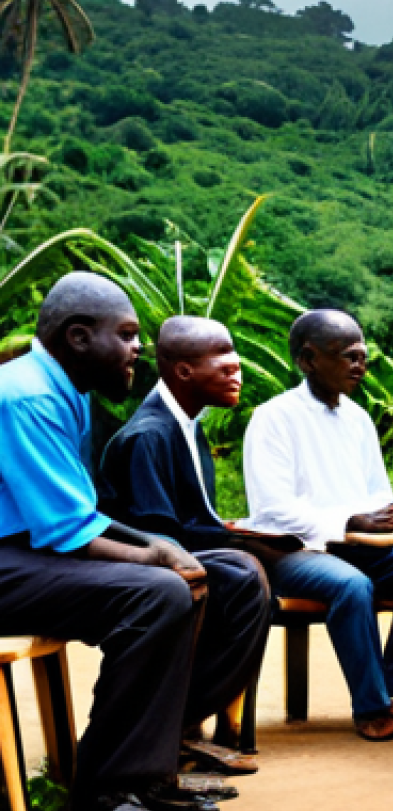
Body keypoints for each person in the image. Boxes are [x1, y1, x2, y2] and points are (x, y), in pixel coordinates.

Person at [0, 273, 211, 811]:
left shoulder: (65, 388)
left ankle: (141, 776)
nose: (138, 348)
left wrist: (160, 548)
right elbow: (66, 530)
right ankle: (99, 798)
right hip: (9, 557)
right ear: (78, 337)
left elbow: (78, 507)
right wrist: (152, 558)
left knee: (174, 577)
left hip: (21, 550)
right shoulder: (28, 396)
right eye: (126, 334)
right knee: (155, 593)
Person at [242, 309, 393, 742]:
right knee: (351, 586)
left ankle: (390, 690)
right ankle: (370, 705)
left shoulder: (358, 419)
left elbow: (376, 491)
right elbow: (273, 507)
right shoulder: (274, 418)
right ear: (308, 359)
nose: (359, 365)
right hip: (293, 551)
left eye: (363, 355)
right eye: (347, 356)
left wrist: (392, 515)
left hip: (354, 545)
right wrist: (350, 520)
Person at [98, 316, 273, 771]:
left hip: (177, 558)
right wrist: (235, 540)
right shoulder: (149, 436)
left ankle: (181, 724)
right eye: (227, 369)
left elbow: (193, 521)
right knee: (241, 574)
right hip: (142, 571)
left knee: (249, 566)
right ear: (183, 372)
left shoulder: (188, 427)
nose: (239, 376)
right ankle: (168, 722)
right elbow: (159, 534)